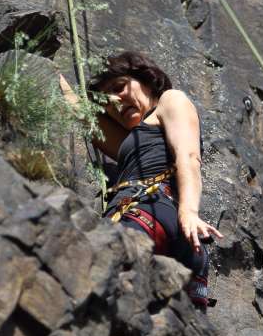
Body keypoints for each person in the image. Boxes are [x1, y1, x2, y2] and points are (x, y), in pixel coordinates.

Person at [60, 51, 223, 309]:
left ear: (146, 80)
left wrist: (190, 211)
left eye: (120, 87)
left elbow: (188, 156)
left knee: (94, 284)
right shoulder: (132, 142)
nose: (115, 100)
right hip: (167, 232)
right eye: (107, 101)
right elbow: (85, 119)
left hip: (152, 216)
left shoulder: (171, 100)